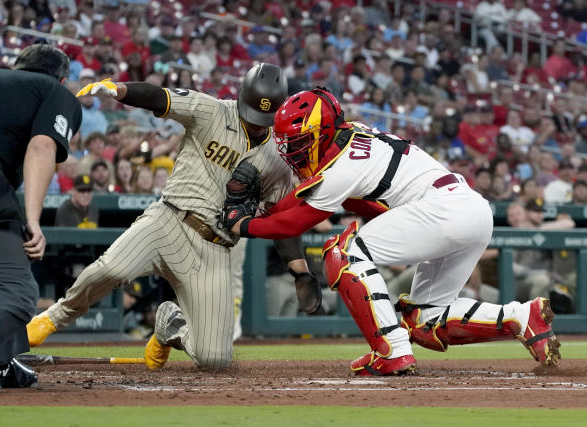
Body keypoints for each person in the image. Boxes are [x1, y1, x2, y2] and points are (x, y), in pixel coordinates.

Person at [222, 88, 561, 376]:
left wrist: (243, 224)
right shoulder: (351, 136)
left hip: (442, 209)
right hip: (468, 209)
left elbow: (295, 223)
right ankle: (520, 316)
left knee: (345, 252)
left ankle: (391, 350)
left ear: (324, 131)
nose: (291, 149)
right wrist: (271, 209)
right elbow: (345, 203)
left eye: (300, 140)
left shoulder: (341, 166)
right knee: (428, 321)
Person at [26, 63, 320, 370]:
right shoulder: (212, 110)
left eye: (266, 118)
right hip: (168, 220)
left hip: (214, 248)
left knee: (215, 359)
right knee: (111, 269)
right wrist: (118, 89)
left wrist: (299, 271)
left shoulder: (278, 156)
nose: (258, 124)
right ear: (241, 96)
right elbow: (159, 98)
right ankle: (54, 317)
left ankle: (171, 326)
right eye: (252, 113)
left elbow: (281, 217)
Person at [0, 44, 81, 394]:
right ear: (63, 79)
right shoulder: (55, 91)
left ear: (19, 66)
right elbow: (42, 147)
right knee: (17, 289)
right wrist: (33, 219)